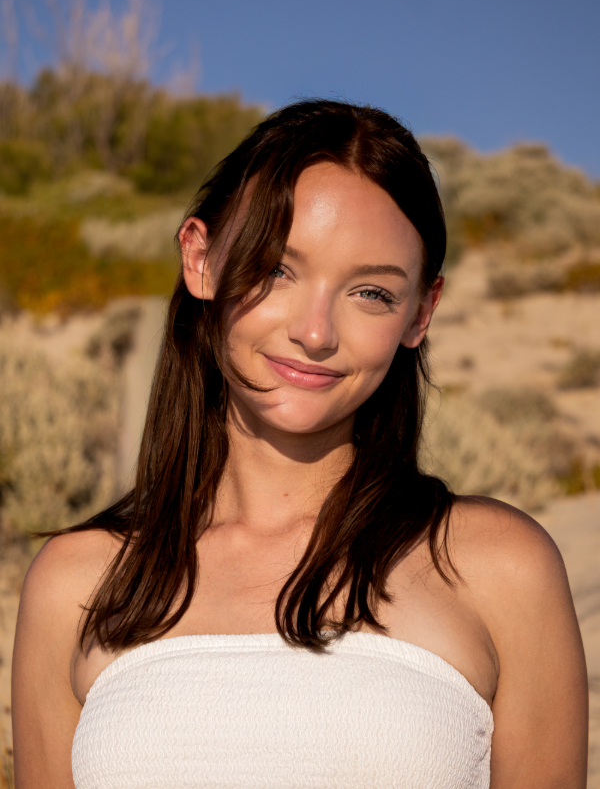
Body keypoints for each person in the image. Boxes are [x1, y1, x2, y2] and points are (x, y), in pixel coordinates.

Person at [12, 100, 587, 788]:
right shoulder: (77, 585)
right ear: (200, 259)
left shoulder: (501, 570)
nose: (316, 333)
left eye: (371, 292)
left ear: (420, 314)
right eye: (277, 270)